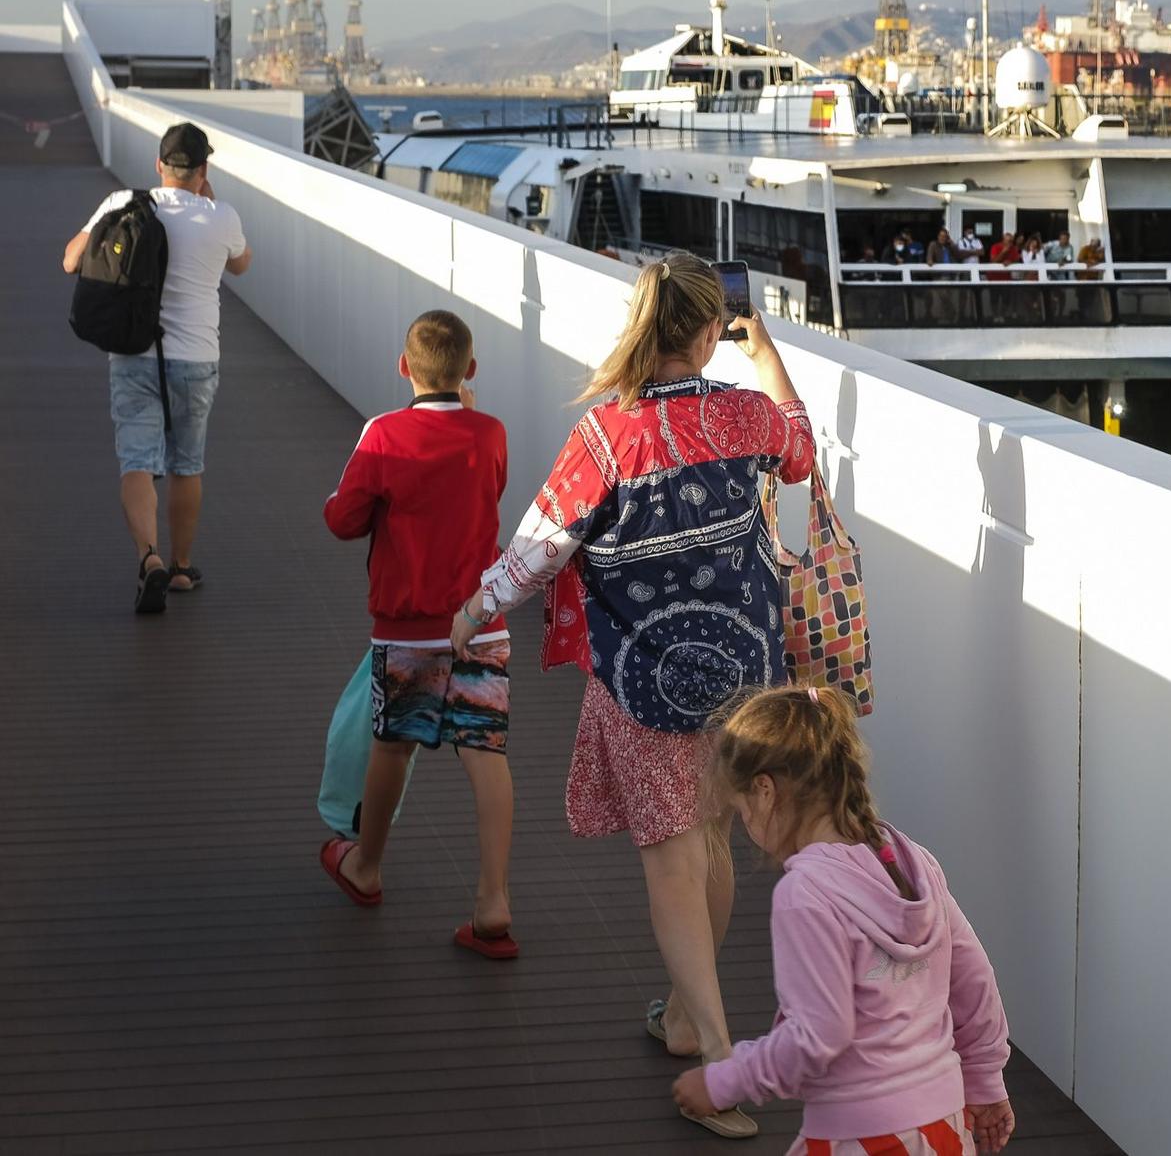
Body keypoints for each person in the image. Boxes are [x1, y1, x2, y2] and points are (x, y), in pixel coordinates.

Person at [452, 252, 814, 1141]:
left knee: (670, 860)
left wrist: (476, 606)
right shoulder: (749, 414)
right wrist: (763, 352)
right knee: (715, 843)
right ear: (707, 332)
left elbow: (542, 546)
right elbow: (802, 450)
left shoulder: (608, 437)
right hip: (747, 677)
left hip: (647, 678)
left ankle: (721, 1059)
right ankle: (689, 1020)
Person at [674, 686, 1015, 1156]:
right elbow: (974, 977)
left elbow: (819, 1035)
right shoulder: (912, 861)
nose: (747, 830)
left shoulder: (806, 894)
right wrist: (984, 1078)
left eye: (742, 811)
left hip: (863, 1137)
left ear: (765, 790)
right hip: (945, 1127)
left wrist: (724, 1081)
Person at [319, 310, 517, 957]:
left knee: (392, 748)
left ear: (403, 367)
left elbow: (342, 521)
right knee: (485, 756)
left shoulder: (384, 433)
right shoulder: (490, 433)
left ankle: (366, 866)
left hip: (406, 628)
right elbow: (487, 487)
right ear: (471, 372)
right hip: (479, 623)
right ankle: (493, 902)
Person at [62, 122, 252, 612]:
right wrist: (208, 204)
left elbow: (70, 260)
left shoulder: (123, 202)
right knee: (186, 465)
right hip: (196, 359)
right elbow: (241, 264)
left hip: (133, 353)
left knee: (137, 463)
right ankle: (183, 568)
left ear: (158, 167)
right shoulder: (221, 216)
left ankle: (150, 558)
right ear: (203, 170)